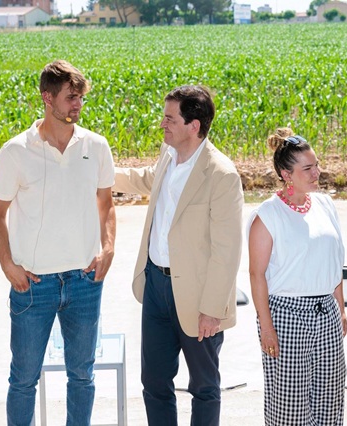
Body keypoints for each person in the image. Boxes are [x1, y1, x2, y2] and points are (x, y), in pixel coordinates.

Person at [0, 60, 116, 426]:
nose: (78, 105)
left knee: (83, 376)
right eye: (71, 97)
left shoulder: (96, 145)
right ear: (47, 97)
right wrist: (8, 265)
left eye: (81, 98)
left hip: (84, 281)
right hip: (33, 284)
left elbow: (106, 204)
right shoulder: (15, 151)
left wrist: (108, 247)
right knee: (23, 380)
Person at [113, 85, 243, 425]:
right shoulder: (168, 154)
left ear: (194, 126)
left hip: (199, 296)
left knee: (204, 387)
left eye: (170, 119)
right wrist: (102, 174)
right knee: (154, 382)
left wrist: (212, 309)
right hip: (155, 285)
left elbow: (227, 250)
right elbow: (147, 179)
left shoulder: (222, 175)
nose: (162, 124)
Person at [247, 128, 347, 425]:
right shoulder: (268, 215)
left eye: (316, 165)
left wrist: (340, 309)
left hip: (327, 313)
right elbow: (256, 274)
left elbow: (334, 263)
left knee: (330, 404)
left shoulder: (326, 205)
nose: (317, 173)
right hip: (286, 317)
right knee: (289, 409)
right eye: (308, 168)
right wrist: (266, 327)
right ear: (286, 174)